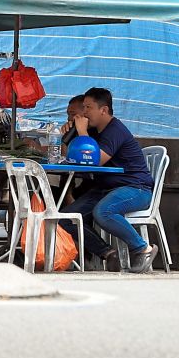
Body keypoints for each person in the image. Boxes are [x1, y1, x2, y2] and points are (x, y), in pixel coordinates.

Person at [61, 87, 158, 273]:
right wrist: (69, 136)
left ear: (103, 110)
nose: (84, 112)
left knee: (103, 212)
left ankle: (143, 249)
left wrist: (82, 133)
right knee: (66, 219)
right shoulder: (95, 131)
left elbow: (94, 160)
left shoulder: (115, 130)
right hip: (106, 189)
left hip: (135, 188)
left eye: (88, 107)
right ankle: (108, 253)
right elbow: (71, 158)